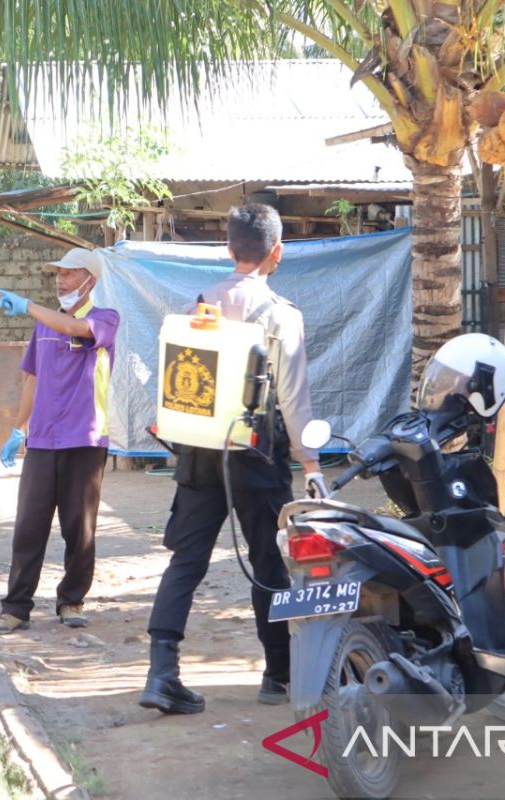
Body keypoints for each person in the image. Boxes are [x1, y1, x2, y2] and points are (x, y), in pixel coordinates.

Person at [139, 203, 326, 714]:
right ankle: (278, 676)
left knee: (186, 562)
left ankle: (162, 674)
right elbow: (294, 399)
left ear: (229, 250)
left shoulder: (200, 305)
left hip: (199, 452)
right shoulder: (283, 317)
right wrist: (310, 465)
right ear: (277, 253)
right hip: (256, 457)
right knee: (269, 563)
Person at [0, 248, 120, 634]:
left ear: (90, 280)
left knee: (80, 526)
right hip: (43, 439)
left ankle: (71, 601)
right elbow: (32, 378)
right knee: (29, 524)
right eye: (57, 274)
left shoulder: (104, 319)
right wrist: (18, 427)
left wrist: (28, 305)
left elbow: (75, 329)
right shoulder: (43, 326)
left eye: (69, 274)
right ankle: (15, 608)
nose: (60, 280)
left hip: (85, 438)